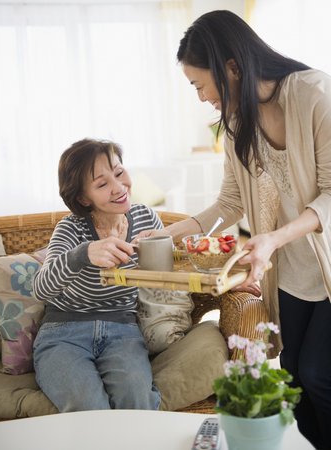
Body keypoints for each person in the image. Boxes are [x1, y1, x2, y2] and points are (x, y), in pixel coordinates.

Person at [134, 10, 331, 450]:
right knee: (295, 377)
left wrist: (274, 238)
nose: (202, 97)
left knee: (320, 374)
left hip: (327, 262)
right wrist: (163, 234)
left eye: (199, 85)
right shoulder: (239, 120)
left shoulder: (314, 93)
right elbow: (228, 203)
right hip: (294, 271)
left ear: (231, 67)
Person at [32, 138, 161, 413]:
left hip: (123, 332)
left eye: (118, 172)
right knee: (88, 408)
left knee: (137, 402)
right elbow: (40, 289)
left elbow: (175, 268)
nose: (119, 187)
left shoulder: (148, 219)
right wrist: (83, 254)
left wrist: (229, 278)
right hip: (63, 333)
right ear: (83, 198)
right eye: (102, 184)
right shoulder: (71, 228)